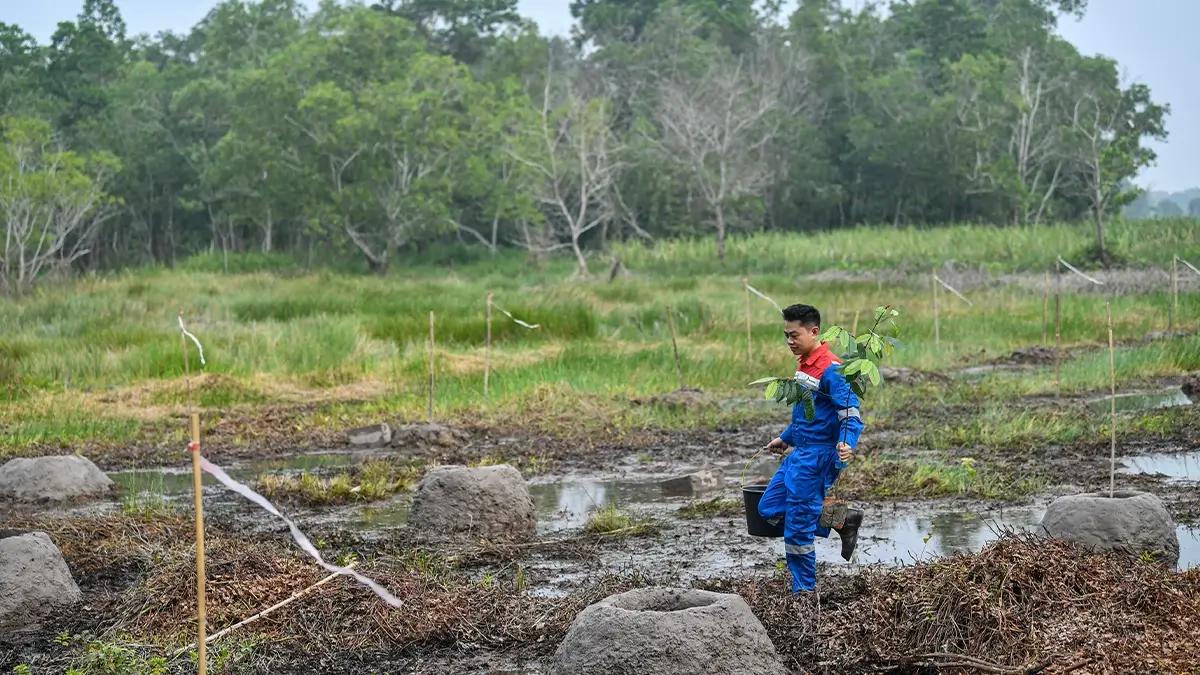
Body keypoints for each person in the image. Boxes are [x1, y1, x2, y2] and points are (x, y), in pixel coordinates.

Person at [758, 303, 864, 593]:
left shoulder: (832, 369)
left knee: (797, 532)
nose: (790, 341)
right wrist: (786, 437)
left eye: (794, 335)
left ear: (814, 331)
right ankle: (843, 520)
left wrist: (846, 444)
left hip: (818, 457)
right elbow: (808, 412)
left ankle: (803, 595)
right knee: (767, 508)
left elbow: (851, 414)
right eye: (786, 336)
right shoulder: (805, 364)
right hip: (799, 453)